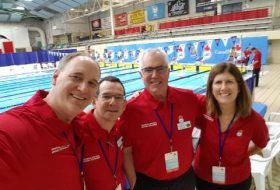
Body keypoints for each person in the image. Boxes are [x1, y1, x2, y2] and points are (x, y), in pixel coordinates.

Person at [0, 52, 100, 190]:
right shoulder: (8, 129)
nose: (83, 88)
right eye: (76, 77)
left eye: (92, 83)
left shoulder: (80, 124)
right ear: (55, 77)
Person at [120, 48, 201, 190]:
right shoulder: (130, 110)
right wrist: (134, 183)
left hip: (185, 179)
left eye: (160, 69)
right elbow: (126, 151)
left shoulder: (189, 99)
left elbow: (213, 123)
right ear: (140, 74)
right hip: (148, 183)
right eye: (148, 70)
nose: (155, 75)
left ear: (169, 72)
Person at [194, 62, 269, 190]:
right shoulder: (202, 107)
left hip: (237, 180)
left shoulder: (254, 120)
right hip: (204, 177)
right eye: (218, 82)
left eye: (229, 82)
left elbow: (261, 143)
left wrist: (241, 154)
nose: (223, 87)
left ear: (239, 87)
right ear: (211, 88)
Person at [78, 76, 127, 190]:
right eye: (106, 96)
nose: (113, 102)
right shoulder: (77, 131)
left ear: (124, 104)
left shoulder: (120, 130)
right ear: (94, 101)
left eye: (118, 97)